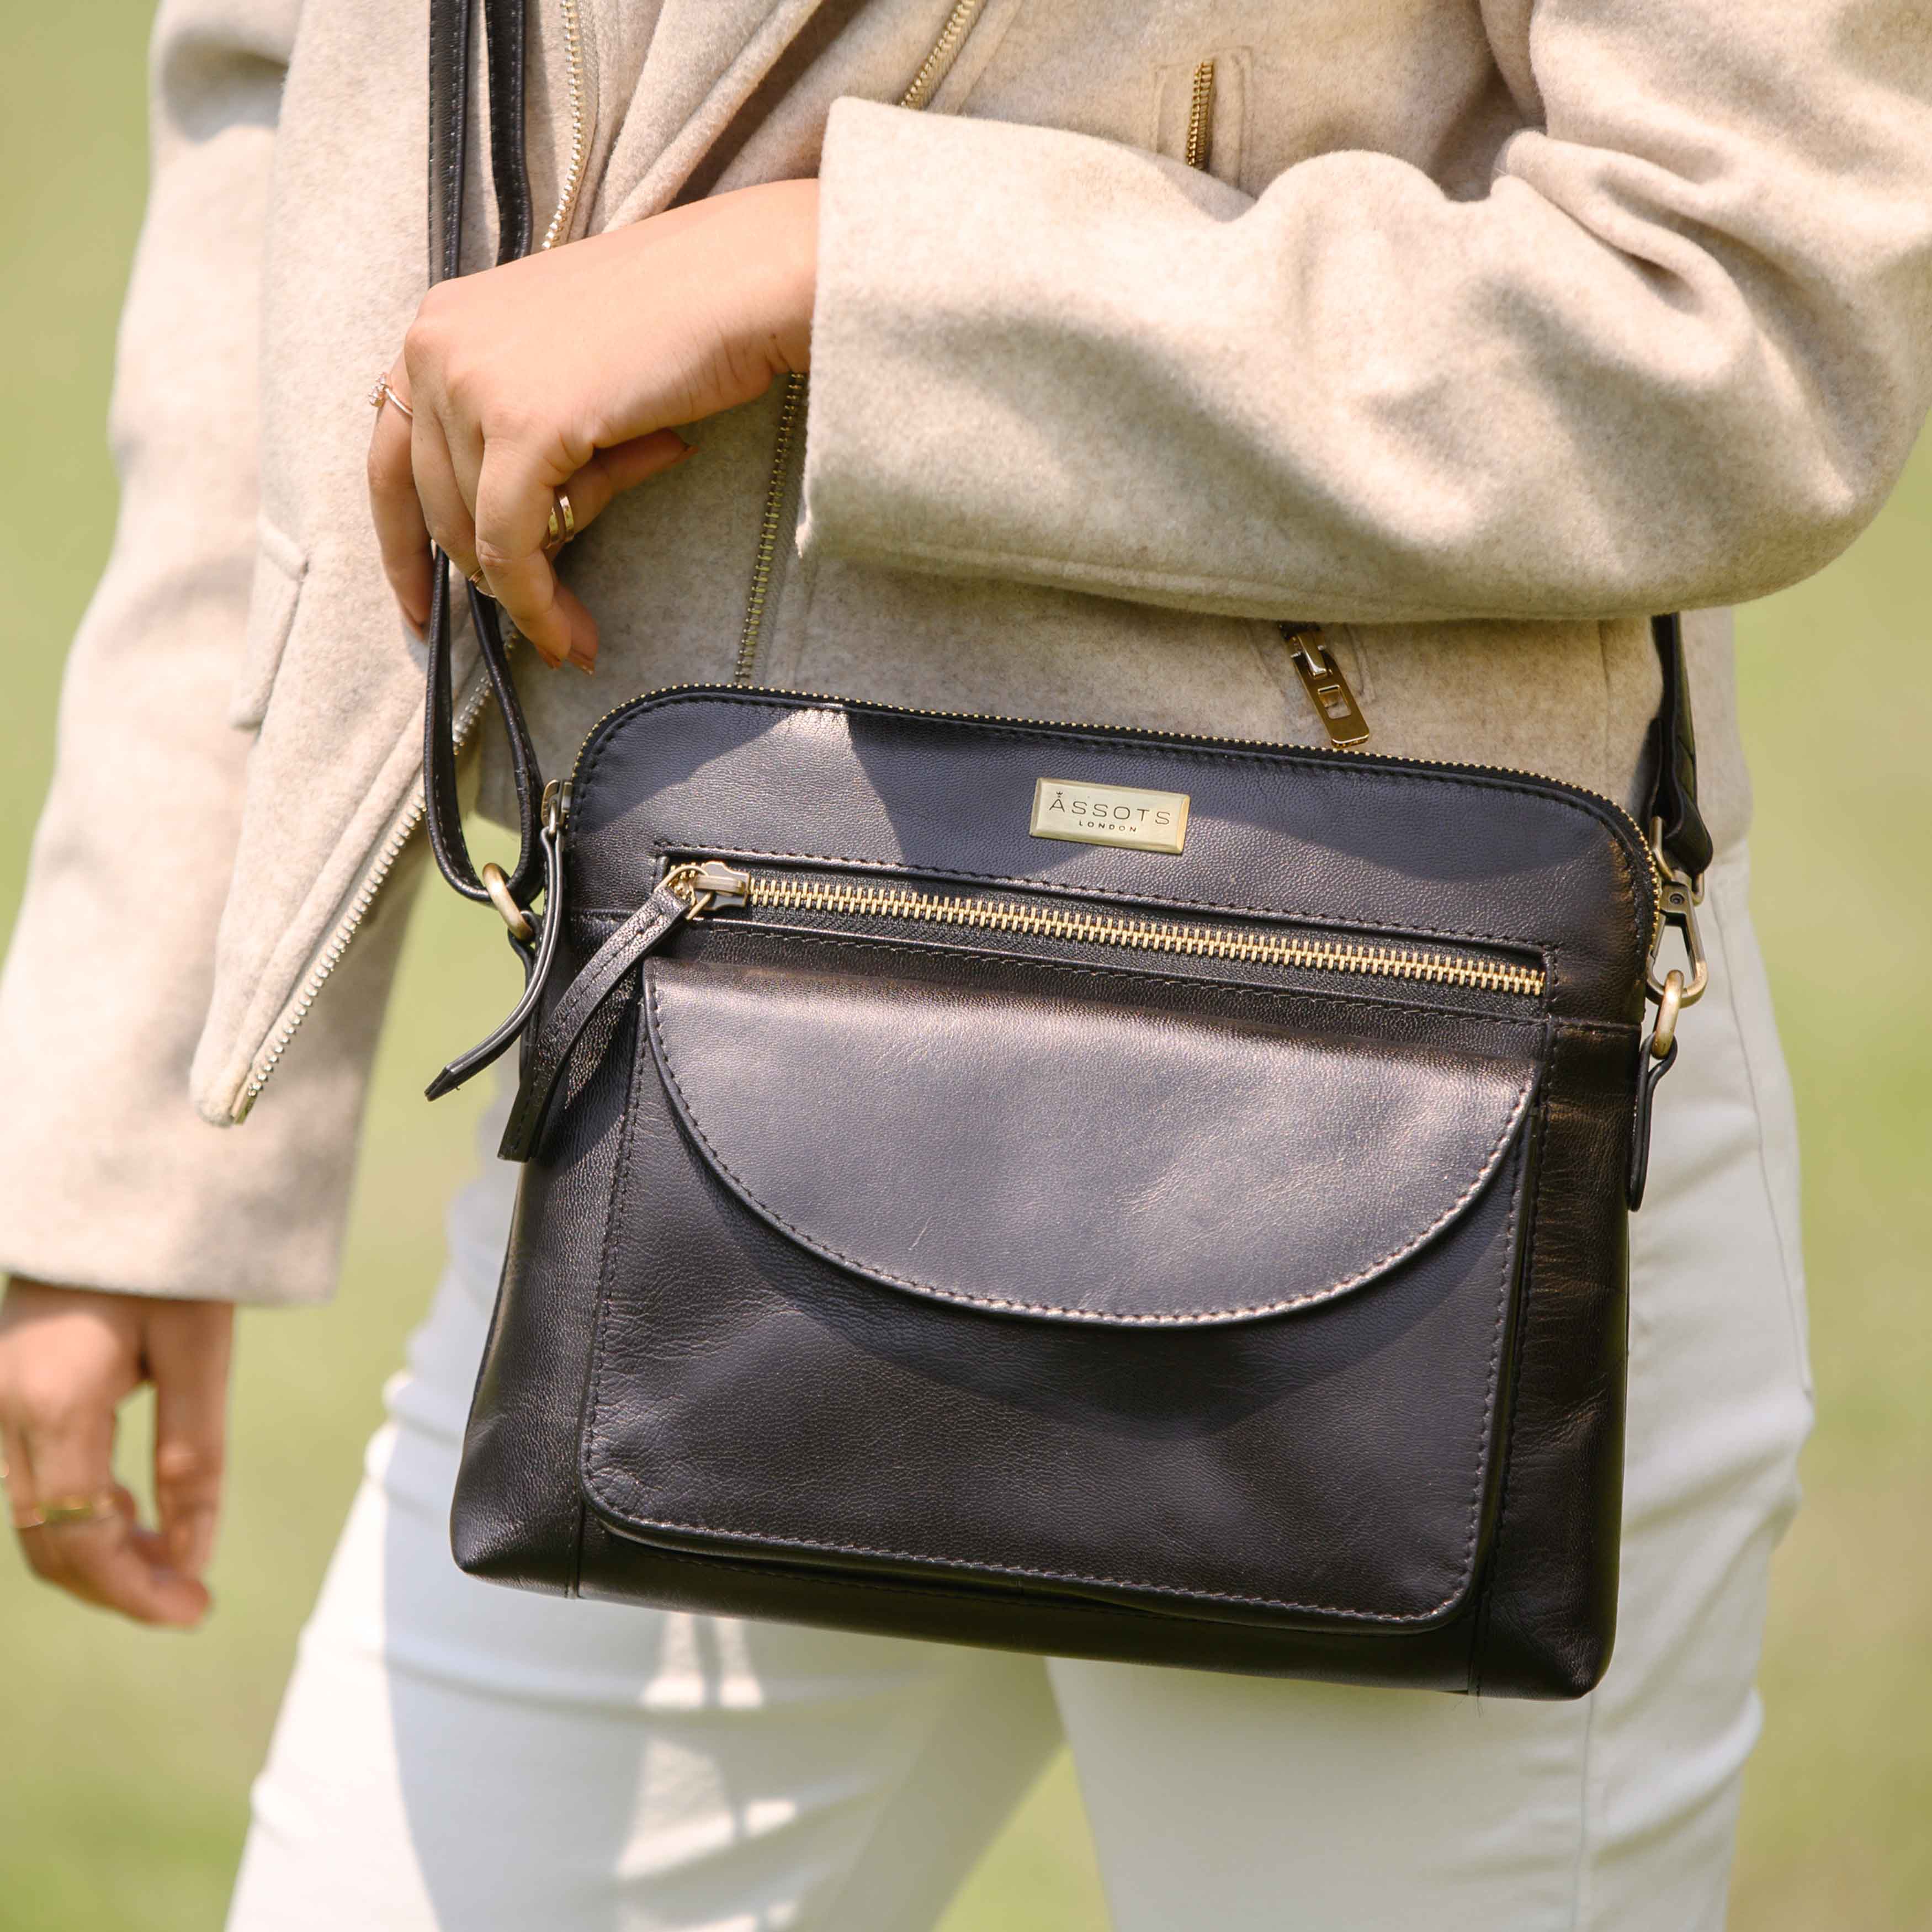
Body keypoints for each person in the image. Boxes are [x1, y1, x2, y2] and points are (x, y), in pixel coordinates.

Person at [1, 2, 1926, 1926]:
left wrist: (851, 274)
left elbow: (1750, 316)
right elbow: (314, 124)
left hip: (1411, 1136)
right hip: (685, 1104)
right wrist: (145, 1094)